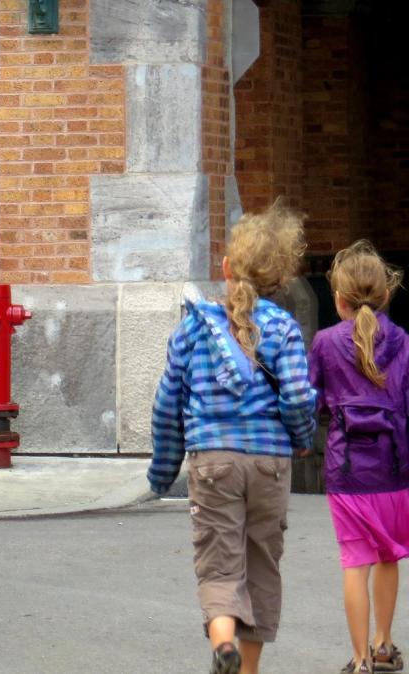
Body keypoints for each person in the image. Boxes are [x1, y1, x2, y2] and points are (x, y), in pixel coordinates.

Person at [147, 201, 317, 674]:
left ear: (225, 267)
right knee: (262, 565)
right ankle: (248, 669)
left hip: (213, 461)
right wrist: (301, 437)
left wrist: (162, 473)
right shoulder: (283, 327)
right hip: (270, 463)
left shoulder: (192, 330)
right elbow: (299, 397)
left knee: (220, 563)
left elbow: (167, 407)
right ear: (279, 278)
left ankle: (223, 644)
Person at [308, 240, 409, 674]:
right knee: (389, 556)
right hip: (395, 467)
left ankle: (361, 659)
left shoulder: (326, 342)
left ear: (338, 299)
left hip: (346, 469)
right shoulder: (401, 340)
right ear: (386, 295)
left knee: (355, 562)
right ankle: (385, 644)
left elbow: (312, 402)